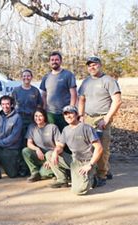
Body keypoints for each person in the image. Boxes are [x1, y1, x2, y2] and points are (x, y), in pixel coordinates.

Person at [78, 56, 122, 187]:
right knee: (89, 146)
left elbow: (117, 101)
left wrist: (107, 118)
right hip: (88, 118)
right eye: (89, 65)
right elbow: (81, 100)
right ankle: (104, 169)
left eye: (94, 64)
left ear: (100, 65)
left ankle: (102, 175)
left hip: (102, 118)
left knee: (102, 146)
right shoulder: (86, 82)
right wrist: (80, 116)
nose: (92, 67)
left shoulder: (108, 81)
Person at [46, 105, 103, 195]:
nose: (68, 116)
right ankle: (62, 179)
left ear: (77, 115)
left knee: (78, 191)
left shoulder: (86, 128)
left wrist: (90, 165)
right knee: (49, 154)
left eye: (71, 113)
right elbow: (60, 146)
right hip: (74, 160)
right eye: (66, 114)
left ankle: (93, 180)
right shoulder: (66, 130)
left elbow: (99, 148)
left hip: (86, 162)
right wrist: (55, 152)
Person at [12, 69, 43, 176]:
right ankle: (21, 168)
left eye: (28, 76)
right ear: (21, 77)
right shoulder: (16, 91)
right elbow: (12, 106)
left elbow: (39, 106)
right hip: (19, 120)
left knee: (29, 143)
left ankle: (30, 167)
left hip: (31, 120)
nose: (26, 78)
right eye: (24, 76)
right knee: (19, 144)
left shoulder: (35, 91)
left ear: (31, 77)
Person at [40, 51, 77, 131]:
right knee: (52, 137)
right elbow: (44, 95)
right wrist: (44, 109)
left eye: (56, 60)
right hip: (50, 114)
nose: (54, 62)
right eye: (52, 60)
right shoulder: (46, 77)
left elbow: (73, 94)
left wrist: (71, 109)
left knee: (66, 137)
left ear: (60, 61)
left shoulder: (68, 75)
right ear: (49, 62)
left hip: (65, 113)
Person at [22, 108, 60, 182]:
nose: (38, 118)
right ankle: (34, 172)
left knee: (43, 174)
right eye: (36, 116)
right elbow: (29, 143)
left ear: (44, 117)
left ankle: (51, 172)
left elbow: (58, 145)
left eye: (40, 116)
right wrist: (37, 149)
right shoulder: (32, 127)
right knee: (25, 151)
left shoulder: (52, 127)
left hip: (51, 155)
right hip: (40, 155)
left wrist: (50, 159)